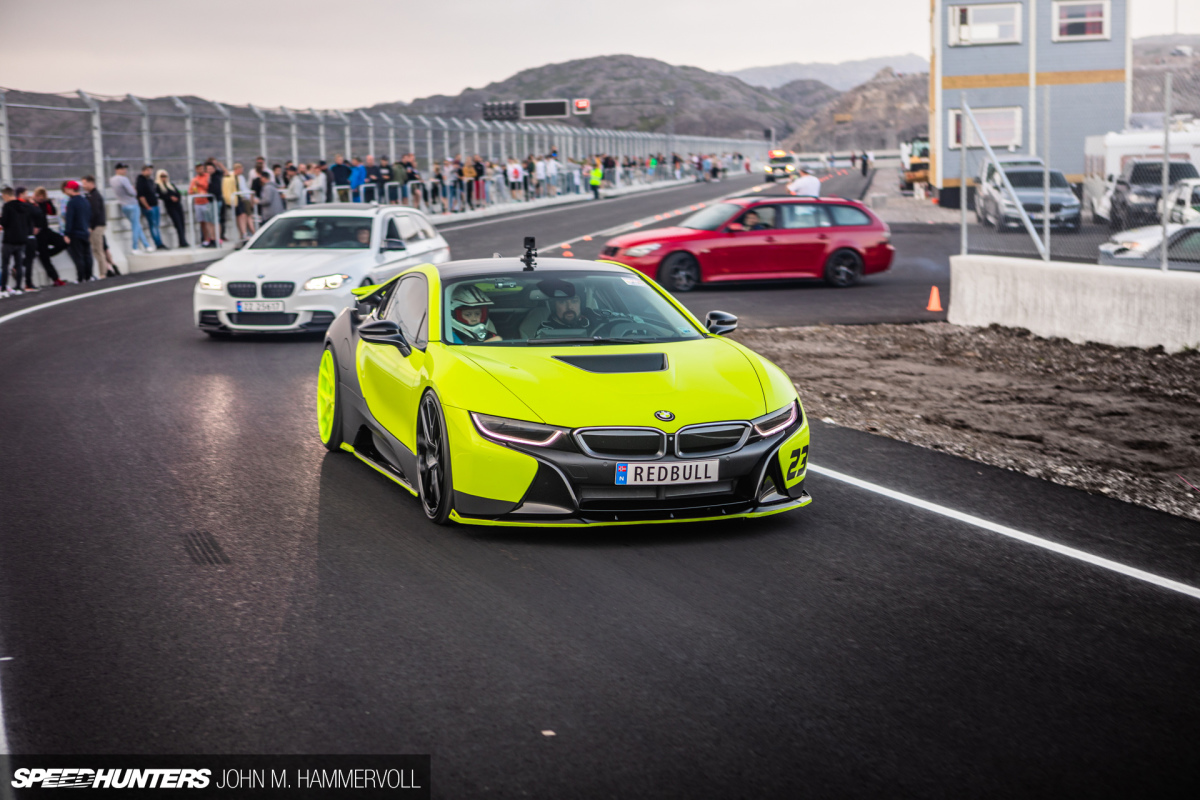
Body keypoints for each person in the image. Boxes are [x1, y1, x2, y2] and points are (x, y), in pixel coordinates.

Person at [29, 188, 66, 285]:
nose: (40, 199)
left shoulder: (45, 203)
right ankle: (56, 279)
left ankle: (48, 253)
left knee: (63, 242)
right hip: (38, 234)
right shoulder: (30, 205)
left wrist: (48, 202)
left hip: (46, 231)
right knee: (45, 260)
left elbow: (52, 212)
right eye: (39, 197)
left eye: (42, 198)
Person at [1, 186, 32, 294]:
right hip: (22, 239)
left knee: (5, 264)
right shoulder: (25, 206)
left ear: (6, 195)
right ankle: (18, 287)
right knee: (19, 265)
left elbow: (4, 222)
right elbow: (29, 223)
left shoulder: (7, 206)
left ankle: (4, 288)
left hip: (9, 240)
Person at [61, 180, 93, 283]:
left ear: (71, 190)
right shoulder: (85, 201)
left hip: (75, 233)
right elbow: (89, 216)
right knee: (87, 255)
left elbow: (69, 219)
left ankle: (80, 278)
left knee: (78, 256)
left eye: (67, 189)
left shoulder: (72, 202)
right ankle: (89, 276)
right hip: (85, 231)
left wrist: (66, 233)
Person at [81, 175, 114, 275]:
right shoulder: (92, 195)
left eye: (85, 183)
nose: (84, 186)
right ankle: (108, 269)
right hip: (98, 225)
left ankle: (103, 273)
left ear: (91, 183)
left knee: (98, 250)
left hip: (97, 226)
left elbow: (95, 212)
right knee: (99, 249)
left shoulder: (94, 196)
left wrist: (91, 226)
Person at [136, 164, 166, 250]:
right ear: (143, 171)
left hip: (155, 205)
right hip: (149, 207)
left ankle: (160, 242)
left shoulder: (150, 181)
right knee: (153, 225)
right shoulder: (141, 181)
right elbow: (141, 196)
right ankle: (158, 243)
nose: (149, 172)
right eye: (148, 170)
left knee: (156, 225)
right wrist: (147, 206)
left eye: (150, 170)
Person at [155, 170, 188, 247]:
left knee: (182, 223)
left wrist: (176, 198)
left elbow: (178, 193)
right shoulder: (158, 186)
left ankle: (183, 240)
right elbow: (161, 196)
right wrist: (170, 198)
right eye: (162, 176)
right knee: (178, 224)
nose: (164, 178)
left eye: (165, 176)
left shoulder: (170, 184)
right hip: (170, 207)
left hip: (178, 206)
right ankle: (182, 241)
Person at [188, 163, 214, 247]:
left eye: (202, 168)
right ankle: (205, 239)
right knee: (202, 222)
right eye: (198, 169)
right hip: (198, 203)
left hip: (206, 202)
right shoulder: (194, 179)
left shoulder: (207, 176)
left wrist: (199, 184)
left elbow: (207, 186)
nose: (200, 170)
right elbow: (190, 191)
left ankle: (212, 238)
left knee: (209, 221)